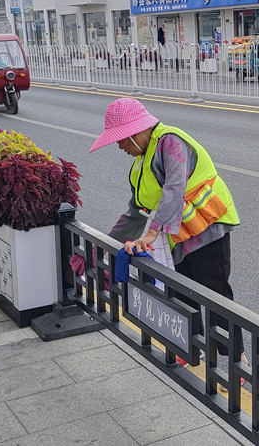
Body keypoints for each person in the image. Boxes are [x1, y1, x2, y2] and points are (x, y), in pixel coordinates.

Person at [89, 98, 247, 366]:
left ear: (137, 131)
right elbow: (135, 212)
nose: (119, 145)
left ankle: (236, 362)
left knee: (215, 294)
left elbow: (175, 189)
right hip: (179, 239)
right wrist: (102, 245)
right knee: (182, 291)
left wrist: (151, 234)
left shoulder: (170, 142)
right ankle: (190, 350)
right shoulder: (140, 161)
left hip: (207, 231)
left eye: (121, 139)